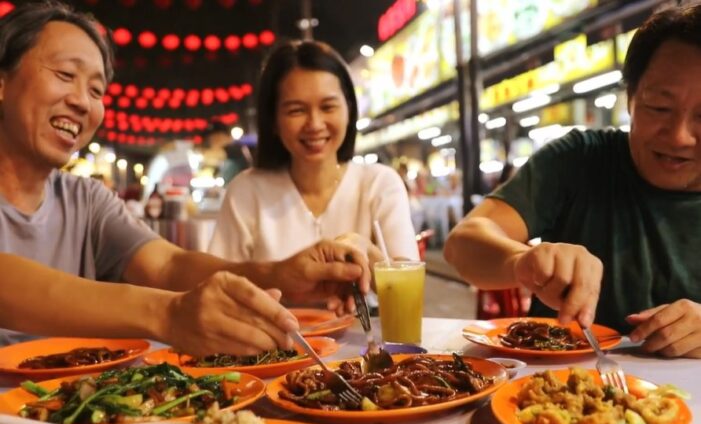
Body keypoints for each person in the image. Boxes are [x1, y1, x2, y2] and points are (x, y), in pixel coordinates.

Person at [0, 1, 371, 356]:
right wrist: (165, 313)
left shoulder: (87, 200)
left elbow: (168, 266)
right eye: (66, 75)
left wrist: (281, 275)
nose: (83, 101)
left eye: (96, 90)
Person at [444, 4, 701, 358]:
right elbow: (463, 244)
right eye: (658, 107)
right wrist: (524, 261)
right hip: (549, 400)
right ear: (630, 99)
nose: (678, 136)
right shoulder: (578, 159)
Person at [208, 40, 418, 273]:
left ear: (349, 110)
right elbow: (220, 283)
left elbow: (408, 279)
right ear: (273, 120)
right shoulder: (247, 192)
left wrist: (367, 253)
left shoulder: (380, 184)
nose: (315, 124)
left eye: (328, 107)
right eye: (296, 110)